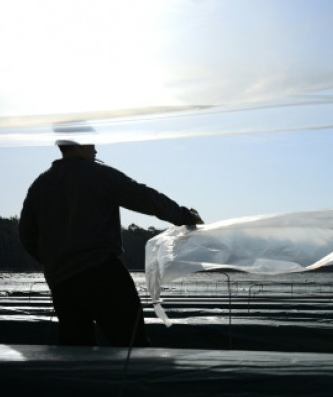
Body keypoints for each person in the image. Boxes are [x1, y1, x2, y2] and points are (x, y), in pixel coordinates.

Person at [18, 140, 203, 347]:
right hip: (102, 274)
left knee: (75, 352)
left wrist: (54, 261)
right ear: (79, 145)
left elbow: (26, 234)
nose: (96, 149)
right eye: (92, 145)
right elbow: (142, 196)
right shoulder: (96, 174)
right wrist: (184, 216)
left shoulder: (40, 184)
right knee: (132, 346)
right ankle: (134, 379)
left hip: (62, 283)